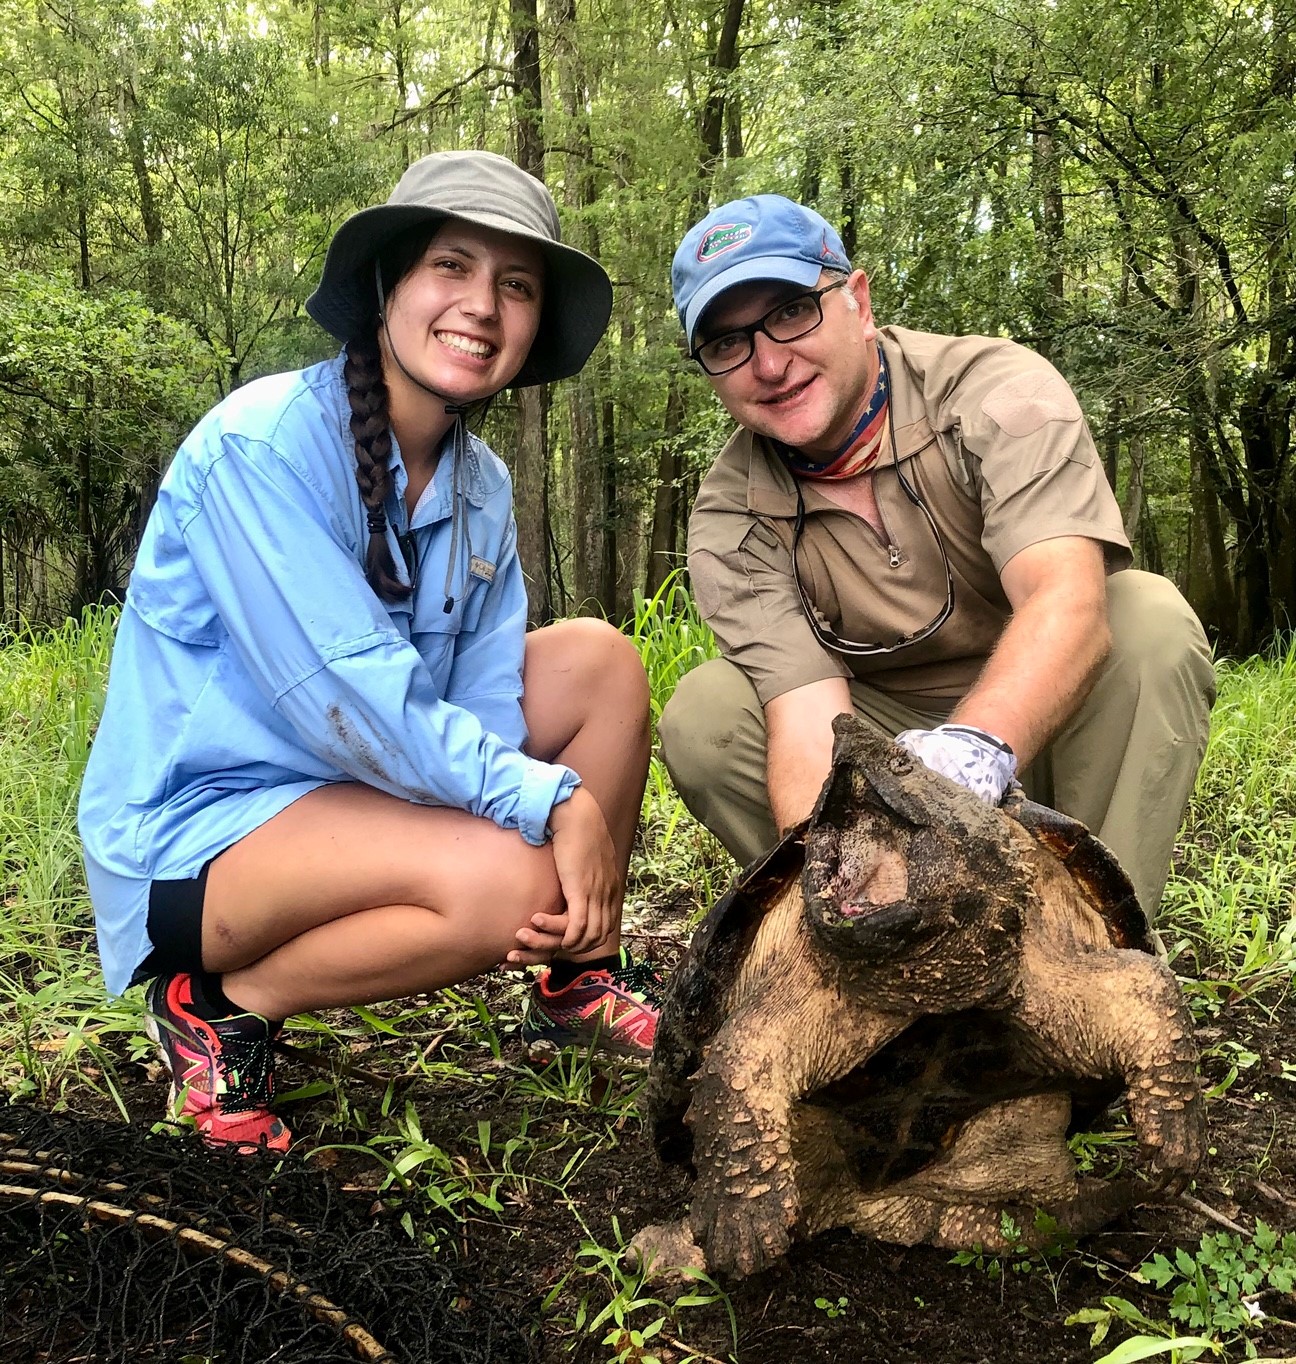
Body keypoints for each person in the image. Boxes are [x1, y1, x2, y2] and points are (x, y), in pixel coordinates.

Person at [78, 150, 662, 1153]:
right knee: (512, 871)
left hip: (351, 796)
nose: (482, 304)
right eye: (452, 266)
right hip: (205, 832)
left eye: (515, 283)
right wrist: (547, 803)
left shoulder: (480, 486)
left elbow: (478, 698)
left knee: (602, 663)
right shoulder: (259, 446)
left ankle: (576, 973)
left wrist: (503, 801)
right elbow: (347, 697)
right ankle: (218, 1003)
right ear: (389, 284)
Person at [659, 194, 1216, 918]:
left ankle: (1093, 938)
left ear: (856, 301)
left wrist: (970, 753)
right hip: (872, 750)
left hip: (1051, 720)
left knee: (1150, 621)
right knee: (707, 714)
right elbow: (803, 721)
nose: (769, 362)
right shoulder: (731, 516)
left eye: (792, 310)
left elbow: (1066, 600)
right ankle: (870, 944)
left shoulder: (996, 392)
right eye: (728, 344)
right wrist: (852, 854)